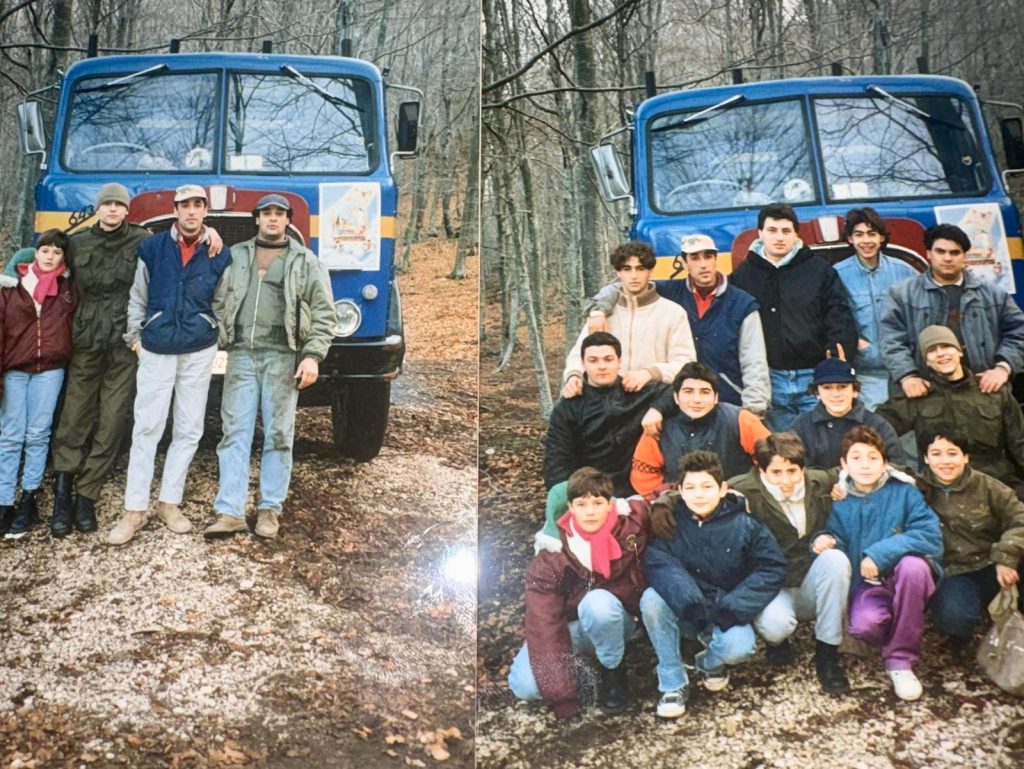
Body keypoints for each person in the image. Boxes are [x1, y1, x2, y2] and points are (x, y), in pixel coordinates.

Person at [204, 194, 336, 539]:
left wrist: (312, 355)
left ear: (288, 220)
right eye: (267, 214)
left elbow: (324, 312)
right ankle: (230, 511)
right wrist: (219, 335)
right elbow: (217, 297)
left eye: (279, 214)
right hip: (242, 357)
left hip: (282, 357)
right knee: (234, 433)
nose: (273, 220)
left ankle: (269, 510)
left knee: (278, 435)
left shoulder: (305, 261)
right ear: (257, 219)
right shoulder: (237, 255)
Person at [107, 185, 231, 545]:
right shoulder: (153, 246)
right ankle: (134, 510)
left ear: (206, 210)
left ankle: (169, 502)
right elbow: (138, 294)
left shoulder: (218, 253)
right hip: (157, 346)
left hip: (198, 348)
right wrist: (135, 337)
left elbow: (223, 300)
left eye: (198, 205)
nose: (191, 212)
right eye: (185, 205)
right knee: (147, 427)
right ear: (175, 209)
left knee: (190, 428)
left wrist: (216, 334)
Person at [508, 467, 673, 718]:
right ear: (570, 508)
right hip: (576, 626)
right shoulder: (551, 556)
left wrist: (665, 503)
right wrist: (563, 697)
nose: (591, 511)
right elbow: (545, 622)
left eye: (598, 503)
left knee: (598, 602)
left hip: (622, 620)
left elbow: (672, 491)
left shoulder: (632, 522)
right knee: (525, 686)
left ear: (611, 505)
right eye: (582, 504)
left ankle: (613, 671)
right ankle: (582, 663)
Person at [713, 433, 851, 693]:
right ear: (761, 468)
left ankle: (827, 651)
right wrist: (665, 503)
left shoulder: (818, 482)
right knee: (776, 627)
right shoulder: (741, 489)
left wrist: (844, 483)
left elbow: (858, 469)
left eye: (792, 471)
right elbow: (696, 494)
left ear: (803, 468)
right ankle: (777, 642)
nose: (786, 480)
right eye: (776, 472)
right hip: (770, 582)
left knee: (836, 560)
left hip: (808, 573)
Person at [643, 451, 786, 699]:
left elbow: (771, 566)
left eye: (707, 486)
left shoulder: (745, 524)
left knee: (740, 648)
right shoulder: (670, 522)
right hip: (688, 607)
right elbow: (658, 562)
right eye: (691, 487)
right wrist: (690, 601)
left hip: (725, 609)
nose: (699, 494)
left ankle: (708, 662)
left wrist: (734, 607)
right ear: (681, 491)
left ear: (723, 489)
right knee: (651, 599)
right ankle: (672, 680)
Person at [815, 425, 943, 701]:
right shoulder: (839, 498)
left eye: (873, 457)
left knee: (914, 567)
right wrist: (824, 539)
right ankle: (899, 625)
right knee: (864, 626)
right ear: (843, 463)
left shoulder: (904, 491)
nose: (865, 465)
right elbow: (835, 535)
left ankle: (900, 660)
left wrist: (880, 553)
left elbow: (930, 535)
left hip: (902, 575)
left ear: (885, 462)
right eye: (857, 457)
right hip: (867, 584)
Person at [587, 233, 769, 415]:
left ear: (716, 259)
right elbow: (625, 285)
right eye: (695, 258)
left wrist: (754, 408)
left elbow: (754, 361)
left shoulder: (742, 303)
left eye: (708, 256)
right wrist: (599, 310)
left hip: (728, 401)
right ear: (684, 263)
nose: (703, 264)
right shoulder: (668, 292)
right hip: (681, 404)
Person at [729, 203, 857, 430]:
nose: (779, 237)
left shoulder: (820, 270)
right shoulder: (742, 277)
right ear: (760, 233)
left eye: (786, 231)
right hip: (770, 380)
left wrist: (836, 354)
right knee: (782, 451)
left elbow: (838, 313)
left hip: (813, 376)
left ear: (796, 234)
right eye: (772, 230)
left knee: (822, 443)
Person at [540, 331, 671, 545]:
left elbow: (678, 389)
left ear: (619, 362)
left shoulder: (638, 391)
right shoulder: (569, 406)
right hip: (589, 491)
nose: (602, 366)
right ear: (583, 364)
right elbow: (556, 464)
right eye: (593, 360)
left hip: (632, 491)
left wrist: (657, 409)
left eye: (608, 359)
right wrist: (578, 502)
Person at [876, 325, 1024, 498]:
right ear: (927, 361)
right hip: (940, 489)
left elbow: (1020, 443)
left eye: (946, 346)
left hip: (996, 482)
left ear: (960, 351)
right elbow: (873, 432)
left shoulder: (993, 392)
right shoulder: (920, 396)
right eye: (932, 350)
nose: (941, 353)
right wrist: (902, 475)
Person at [880, 223, 1024, 399]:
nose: (947, 258)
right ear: (929, 254)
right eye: (940, 251)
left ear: (964, 256)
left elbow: (1019, 332)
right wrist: (907, 376)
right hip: (926, 394)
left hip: (983, 392)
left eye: (955, 252)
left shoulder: (993, 294)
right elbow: (890, 340)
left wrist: (1003, 368)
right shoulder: (902, 294)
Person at [0, 230, 79, 539]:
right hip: (15, 368)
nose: (49, 256)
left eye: (56, 252)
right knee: (10, 434)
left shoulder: (68, 289)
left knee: (37, 433)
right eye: (44, 250)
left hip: (50, 369)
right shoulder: (11, 287)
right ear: (35, 253)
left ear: (63, 257)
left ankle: (28, 498)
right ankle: (4, 499)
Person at [916, 426, 1024, 647]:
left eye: (953, 453)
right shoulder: (915, 489)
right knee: (956, 619)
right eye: (936, 454)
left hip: (992, 562)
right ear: (926, 458)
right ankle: (963, 632)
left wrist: (1006, 556)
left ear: (966, 457)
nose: (945, 461)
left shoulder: (989, 486)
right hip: (954, 570)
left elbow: (1019, 518)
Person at [561, 241, 695, 398]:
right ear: (618, 272)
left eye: (640, 268)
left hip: (653, 401)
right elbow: (579, 353)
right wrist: (574, 376)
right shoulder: (603, 313)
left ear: (650, 271)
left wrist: (649, 373)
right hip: (607, 402)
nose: (634, 276)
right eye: (627, 269)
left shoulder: (673, 312)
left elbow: (685, 363)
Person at [630, 361, 769, 495]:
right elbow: (644, 477)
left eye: (704, 392)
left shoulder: (740, 420)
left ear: (716, 397)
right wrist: (669, 499)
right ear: (676, 397)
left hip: (735, 504)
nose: (697, 399)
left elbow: (772, 460)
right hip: (680, 506)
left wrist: (747, 493)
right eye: (688, 391)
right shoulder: (658, 427)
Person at [834, 208, 918, 409]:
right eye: (859, 234)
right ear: (850, 239)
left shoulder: (904, 270)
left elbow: (922, 312)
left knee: (908, 436)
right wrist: (855, 342)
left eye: (872, 234)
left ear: (881, 237)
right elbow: (832, 317)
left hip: (906, 370)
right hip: (867, 373)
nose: (866, 241)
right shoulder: (836, 274)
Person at [791, 357, 905, 469]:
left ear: (855, 391)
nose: (835, 394)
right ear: (817, 393)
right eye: (827, 387)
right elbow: (793, 468)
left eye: (842, 387)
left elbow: (897, 466)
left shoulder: (878, 425)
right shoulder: (802, 426)